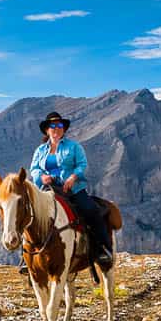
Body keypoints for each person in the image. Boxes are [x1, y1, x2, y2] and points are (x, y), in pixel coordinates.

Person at [29, 111, 113, 268]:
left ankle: (103, 249)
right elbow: (33, 168)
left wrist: (73, 177)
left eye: (59, 125)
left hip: (72, 189)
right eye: (52, 126)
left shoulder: (74, 146)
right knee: (29, 215)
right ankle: (27, 258)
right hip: (47, 190)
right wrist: (41, 177)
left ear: (64, 129)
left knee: (91, 211)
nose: (56, 128)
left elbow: (82, 164)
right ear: (47, 130)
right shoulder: (40, 150)